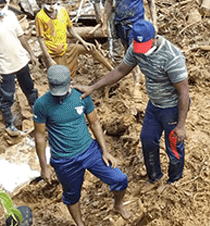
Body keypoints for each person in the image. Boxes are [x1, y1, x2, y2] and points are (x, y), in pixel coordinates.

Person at [77, 20, 190, 188]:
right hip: (154, 105)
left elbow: (183, 93)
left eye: (143, 47)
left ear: (153, 38)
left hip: (172, 107)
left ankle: (174, 180)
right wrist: (92, 87)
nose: (141, 53)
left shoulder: (172, 57)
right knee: (147, 139)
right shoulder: (136, 49)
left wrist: (181, 125)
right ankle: (154, 177)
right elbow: (120, 71)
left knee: (173, 145)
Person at [33, 65, 130, 226]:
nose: (60, 96)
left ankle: (118, 204)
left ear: (70, 82)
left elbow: (94, 123)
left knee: (119, 178)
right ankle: (80, 225)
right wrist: (44, 166)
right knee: (71, 195)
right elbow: (39, 136)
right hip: (63, 159)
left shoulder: (81, 96)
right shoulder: (42, 104)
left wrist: (105, 151)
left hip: (89, 151)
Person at [0, 0, 41, 136]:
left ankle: (36, 109)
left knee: (29, 88)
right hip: (4, 67)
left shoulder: (11, 16)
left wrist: (30, 53)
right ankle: (9, 125)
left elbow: (20, 36)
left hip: (20, 60)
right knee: (7, 97)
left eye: (2, 6)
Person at [35, 0, 113, 78]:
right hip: (52, 52)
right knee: (62, 78)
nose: (52, 6)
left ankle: (112, 70)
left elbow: (71, 29)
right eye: (48, 4)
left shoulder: (62, 12)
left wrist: (83, 42)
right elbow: (40, 39)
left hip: (65, 47)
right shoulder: (40, 17)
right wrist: (48, 58)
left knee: (91, 48)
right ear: (43, 3)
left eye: (54, 3)